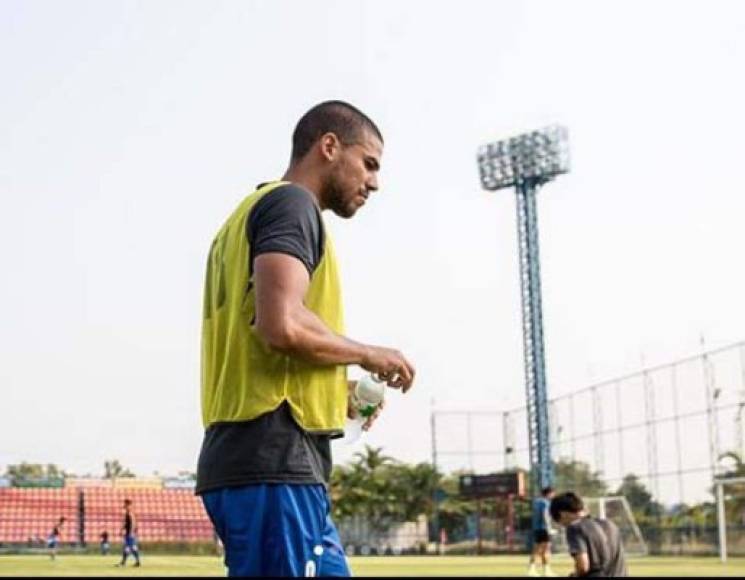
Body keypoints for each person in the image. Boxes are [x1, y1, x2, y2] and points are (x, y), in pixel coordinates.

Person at [196, 100, 416, 577]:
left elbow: (266, 334)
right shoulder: (292, 205)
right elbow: (281, 325)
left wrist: (339, 390)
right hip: (272, 463)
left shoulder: (242, 220)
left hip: (266, 461)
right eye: (369, 163)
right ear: (329, 146)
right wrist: (368, 353)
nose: (374, 182)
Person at [549, 492, 627, 577]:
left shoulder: (575, 527)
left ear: (562, 514)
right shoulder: (611, 525)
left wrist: (574, 575)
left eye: (560, 522)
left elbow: (583, 566)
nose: (563, 526)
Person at [528, 486, 556, 577]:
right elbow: (545, 515)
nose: (553, 495)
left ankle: (536, 570)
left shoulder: (537, 502)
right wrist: (549, 528)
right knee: (545, 550)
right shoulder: (545, 503)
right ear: (549, 493)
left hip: (537, 528)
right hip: (543, 529)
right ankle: (544, 571)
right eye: (552, 493)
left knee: (538, 549)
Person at [116, 499, 141, 567]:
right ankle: (137, 562)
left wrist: (131, 532)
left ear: (129, 505)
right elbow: (126, 523)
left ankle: (123, 563)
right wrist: (121, 529)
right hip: (129, 532)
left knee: (128, 547)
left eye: (126, 504)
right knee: (132, 547)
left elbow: (133, 523)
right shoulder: (128, 513)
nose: (125, 506)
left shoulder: (130, 513)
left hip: (130, 533)